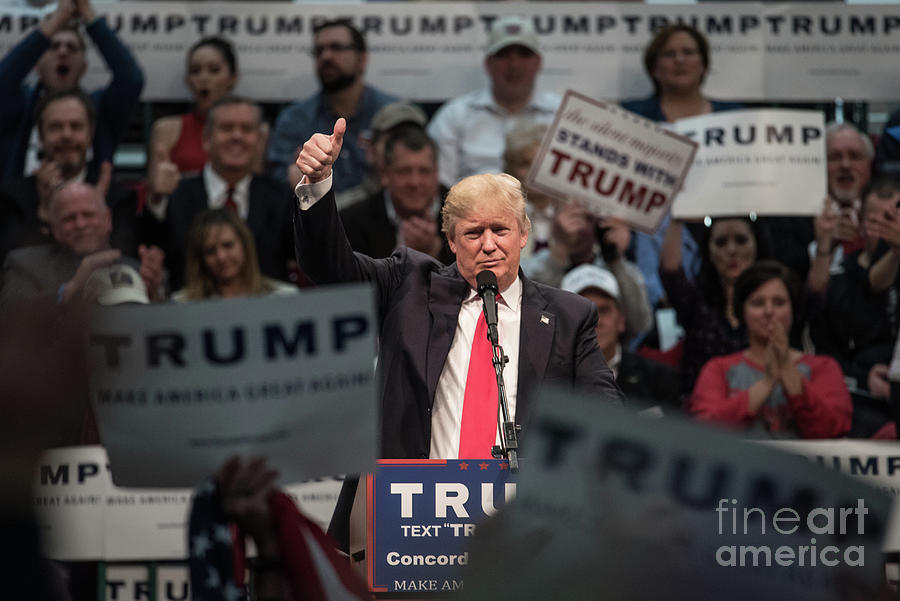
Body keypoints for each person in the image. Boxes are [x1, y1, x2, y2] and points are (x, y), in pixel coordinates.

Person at [293, 118, 623, 460]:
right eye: (473, 233)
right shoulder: (408, 286)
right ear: (451, 241)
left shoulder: (568, 316)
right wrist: (317, 183)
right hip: (414, 504)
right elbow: (327, 264)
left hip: (519, 506)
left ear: (524, 234)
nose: (489, 245)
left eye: (500, 229)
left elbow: (604, 410)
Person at [623, 24, 741, 309]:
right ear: (654, 67)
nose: (679, 60)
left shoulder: (733, 117)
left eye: (688, 52)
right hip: (653, 232)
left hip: (719, 232)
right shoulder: (633, 117)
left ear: (703, 63)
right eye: (669, 54)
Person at [142, 96, 295, 291]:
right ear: (206, 139)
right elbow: (150, 248)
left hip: (266, 315)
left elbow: (308, 255)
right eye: (226, 128)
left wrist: (308, 192)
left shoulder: (281, 196)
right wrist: (157, 198)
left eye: (246, 129)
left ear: (259, 141)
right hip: (191, 314)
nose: (236, 136)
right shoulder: (176, 194)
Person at [689, 261, 852, 439]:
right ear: (742, 311)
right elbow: (704, 431)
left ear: (792, 309)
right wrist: (767, 382)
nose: (769, 311)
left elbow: (832, 429)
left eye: (779, 302)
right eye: (758, 303)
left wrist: (787, 368)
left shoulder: (824, 367)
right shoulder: (718, 369)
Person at [0, 0, 144, 180]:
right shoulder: (21, 104)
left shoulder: (99, 108)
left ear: (84, 67)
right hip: (20, 206)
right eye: (53, 46)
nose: (63, 52)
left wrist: (88, 13)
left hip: (86, 205)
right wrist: (55, 22)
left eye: (72, 47)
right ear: (36, 66)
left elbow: (131, 80)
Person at [0, 89, 139, 263]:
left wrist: (97, 214)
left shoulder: (117, 197)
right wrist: (44, 211)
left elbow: (122, 265)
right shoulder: (12, 198)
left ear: (90, 134)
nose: (66, 135)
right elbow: (11, 270)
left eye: (76, 126)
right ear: (41, 137)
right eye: (55, 127)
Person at [268, 19, 397, 202]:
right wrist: (300, 178)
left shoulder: (391, 113)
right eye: (319, 51)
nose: (326, 57)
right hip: (314, 221)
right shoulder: (295, 119)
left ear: (362, 59)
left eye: (336, 48)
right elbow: (277, 178)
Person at [427, 15, 561, 189]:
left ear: (538, 62)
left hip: (550, 216)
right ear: (488, 63)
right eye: (503, 55)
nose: (514, 65)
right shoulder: (454, 117)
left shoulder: (562, 115)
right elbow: (439, 186)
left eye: (523, 54)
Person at [0, 178, 164, 311]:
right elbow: (11, 318)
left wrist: (154, 296)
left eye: (88, 214)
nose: (81, 224)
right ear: (54, 228)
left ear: (108, 219)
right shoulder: (24, 266)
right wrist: (71, 290)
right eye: (69, 218)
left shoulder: (139, 272)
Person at [146, 37, 269, 210]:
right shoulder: (167, 129)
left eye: (214, 70)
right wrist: (159, 190)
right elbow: (155, 196)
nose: (203, 78)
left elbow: (256, 189)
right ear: (188, 79)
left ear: (233, 78)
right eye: (195, 71)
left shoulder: (254, 131)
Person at [660, 216, 772, 395]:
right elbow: (670, 272)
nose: (732, 250)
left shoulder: (775, 304)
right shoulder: (696, 304)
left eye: (741, 240)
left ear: (757, 243)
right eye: (720, 242)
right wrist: (676, 220)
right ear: (709, 251)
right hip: (703, 415)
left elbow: (814, 298)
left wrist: (823, 246)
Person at [813, 177, 900, 400]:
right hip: (860, 397)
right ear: (860, 224)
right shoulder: (843, 276)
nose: (885, 231)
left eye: (893, 220)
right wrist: (862, 377)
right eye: (876, 222)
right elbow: (828, 355)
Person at [561, 264, 679, 414]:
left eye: (603, 310)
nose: (595, 322)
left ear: (621, 320)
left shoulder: (660, 380)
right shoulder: (542, 384)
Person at [339, 126, 454, 264]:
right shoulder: (351, 223)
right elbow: (354, 283)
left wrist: (436, 253)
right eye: (404, 171)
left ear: (436, 174)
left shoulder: (461, 215)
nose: (414, 182)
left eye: (424, 171)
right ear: (385, 175)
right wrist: (400, 258)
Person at [172, 209, 296, 301]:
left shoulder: (285, 297)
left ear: (245, 245)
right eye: (210, 251)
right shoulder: (182, 304)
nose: (221, 257)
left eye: (228, 245)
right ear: (200, 258)